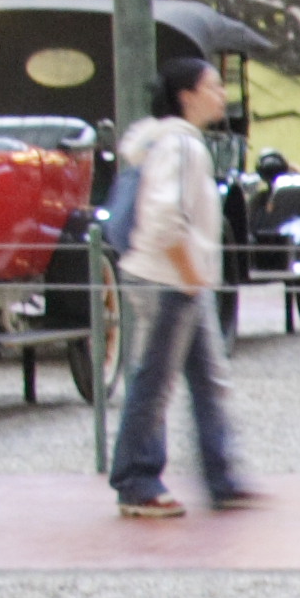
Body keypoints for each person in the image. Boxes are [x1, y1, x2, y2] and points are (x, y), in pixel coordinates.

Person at [108, 56, 260, 519]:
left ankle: (222, 475)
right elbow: (165, 217)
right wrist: (189, 271)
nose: (221, 94)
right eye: (212, 86)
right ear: (187, 95)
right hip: (169, 280)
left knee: (205, 380)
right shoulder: (180, 147)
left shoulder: (165, 144)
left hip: (179, 280)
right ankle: (137, 480)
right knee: (155, 382)